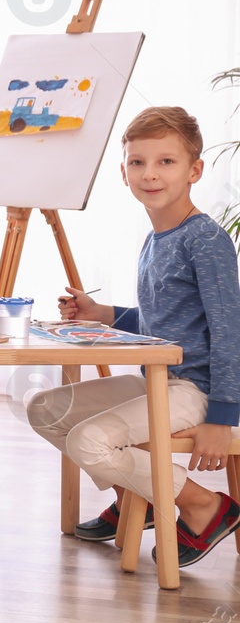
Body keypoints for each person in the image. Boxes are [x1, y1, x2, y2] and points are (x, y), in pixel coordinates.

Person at [28, 106, 240, 566]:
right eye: (138, 162)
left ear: (194, 170)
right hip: (160, 378)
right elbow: (165, 321)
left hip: (197, 390)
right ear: (123, 172)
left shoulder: (204, 240)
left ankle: (204, 505)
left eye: (166, 161)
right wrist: (101, 313)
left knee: (89, 441)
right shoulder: (156, 238)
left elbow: (229, 334)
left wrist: (222, 417)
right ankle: (132, 496)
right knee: (45, 408)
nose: (150, 173)